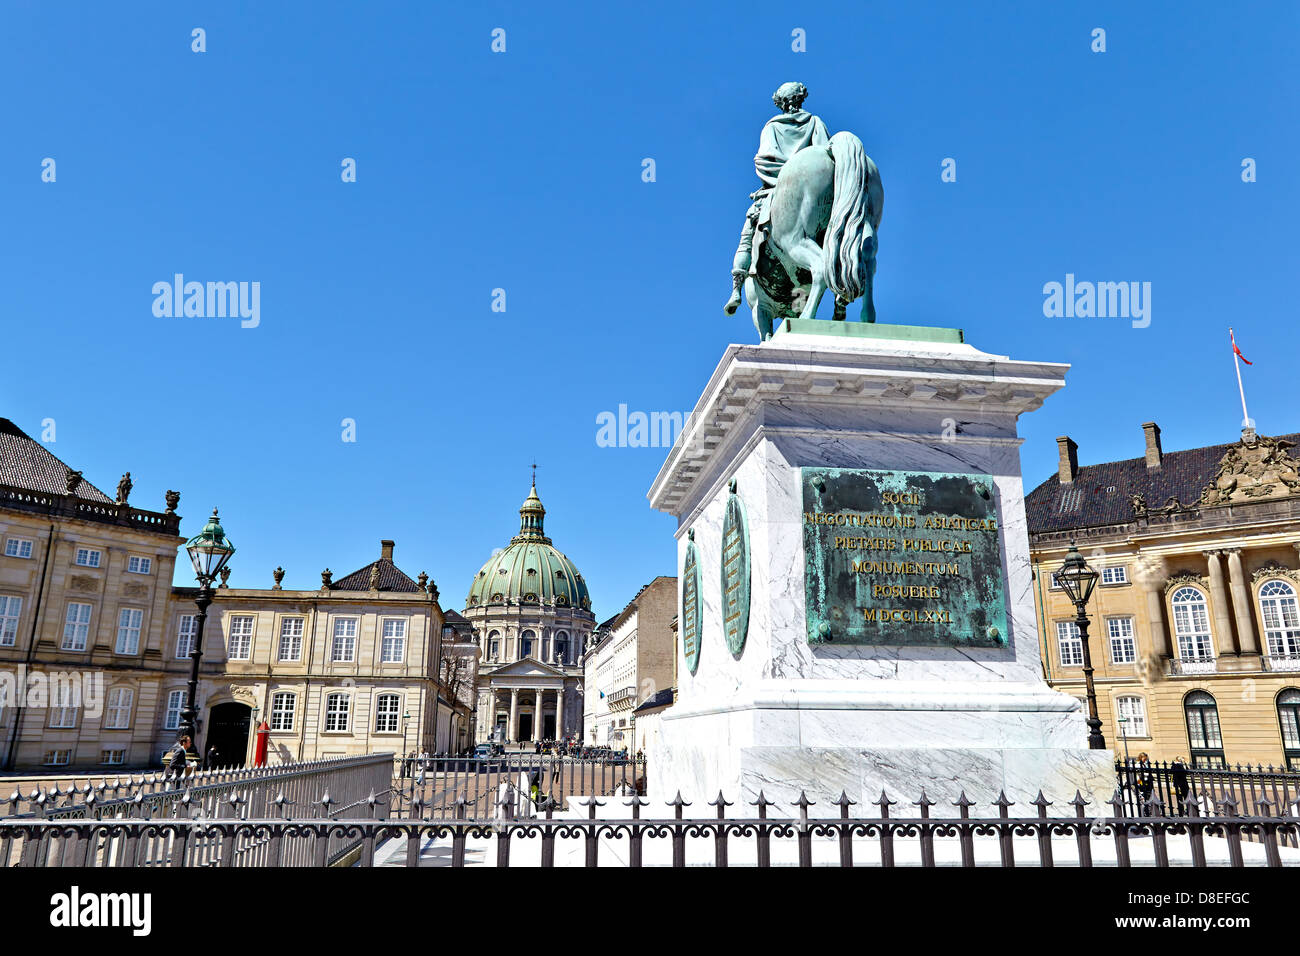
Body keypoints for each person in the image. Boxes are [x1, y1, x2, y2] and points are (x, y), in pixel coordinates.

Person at [724, 81, 830, 315]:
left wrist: (785, 178)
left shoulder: (772, 127)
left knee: (748, 233)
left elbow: (764, 160)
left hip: (776, 189)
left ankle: (736, 289)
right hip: (817, 193)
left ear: (780, 103)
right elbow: (825, 156)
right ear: (801, 98)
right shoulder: (815, 122)